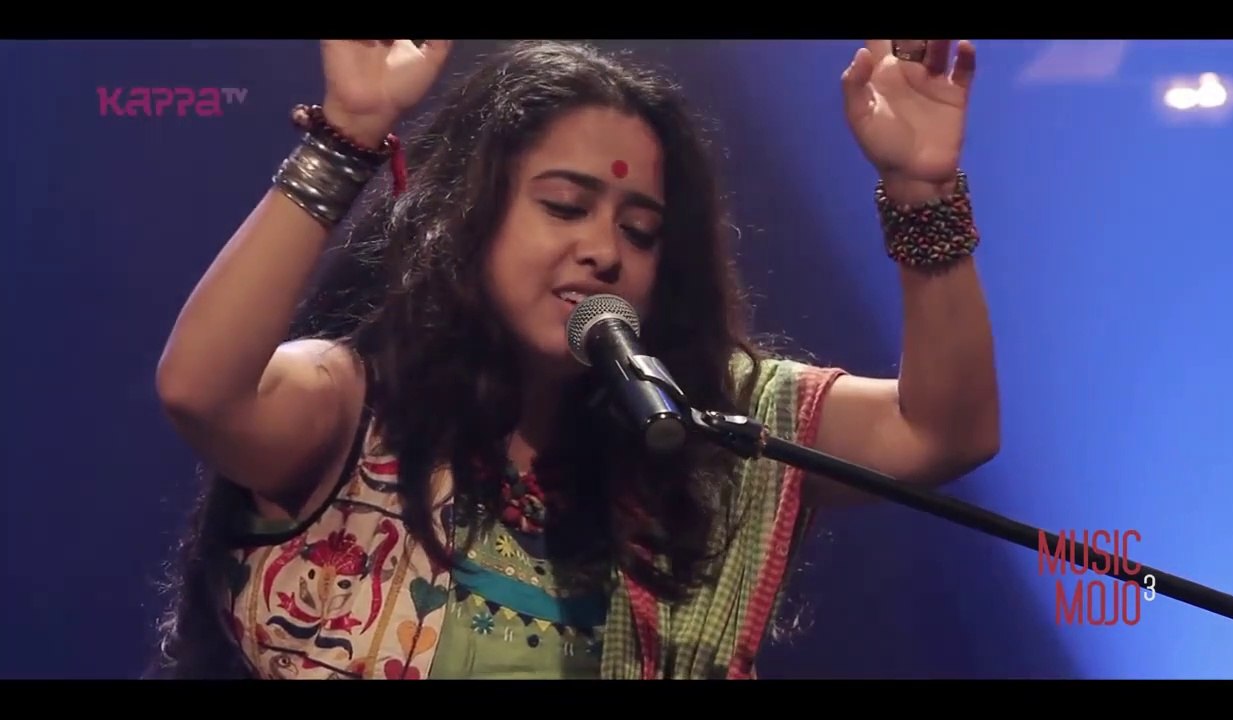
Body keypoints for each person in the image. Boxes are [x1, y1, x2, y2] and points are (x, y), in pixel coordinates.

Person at [148, 38, 999, 680]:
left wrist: (920, 190)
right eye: (564, 206)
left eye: (640, 231)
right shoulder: (353, 409)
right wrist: (347, 138)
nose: (603, 250)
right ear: (470, 214)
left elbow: (940, 432)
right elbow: (201, 391)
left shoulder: (698, 430)